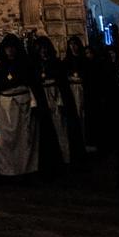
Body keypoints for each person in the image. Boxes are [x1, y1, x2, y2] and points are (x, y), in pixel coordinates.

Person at [0, 35, 39, 179]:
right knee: (6, 141)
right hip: (4, 108)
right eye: (7, 48)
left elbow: (31, 86)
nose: (10, 50)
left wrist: (33, 104)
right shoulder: (0, 68)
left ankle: (25, 170)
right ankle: (8, 171)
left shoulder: (25, 65)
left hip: (22, 106)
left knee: (24, 140)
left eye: (12, 47)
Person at [31, 36, 73, 170]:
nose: (43, 51)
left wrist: (60, 100)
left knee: (60, 127)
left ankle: (65, 158)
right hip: (43, 98)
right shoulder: (36, 65)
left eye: (44, 48)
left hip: (55, 97)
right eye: (40, 49)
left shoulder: (56, 63)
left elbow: (62, 84)